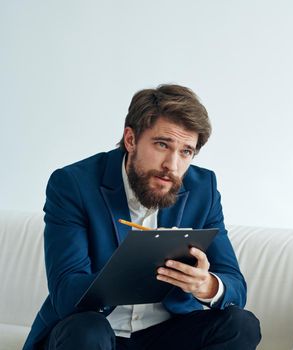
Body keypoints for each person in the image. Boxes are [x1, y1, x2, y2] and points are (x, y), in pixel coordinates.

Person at [23, 84, 261, 350]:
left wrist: (206, 285)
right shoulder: (73, 185)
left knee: (241, 325)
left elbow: (235, 285)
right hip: (94, 333)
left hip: (164, 335)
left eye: (186, 152)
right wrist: (132, 270)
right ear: (131, 139)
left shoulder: (203, 188)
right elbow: (65, 293)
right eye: (162, 144)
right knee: (88, 331)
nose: (172, 165)